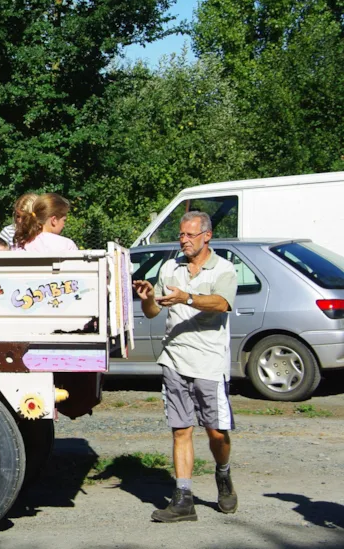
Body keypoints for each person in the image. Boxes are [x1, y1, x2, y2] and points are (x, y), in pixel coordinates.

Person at [132, 211, 238, 523]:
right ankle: (183, 498)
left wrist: (187, 298)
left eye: (190, 235)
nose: (184, 240)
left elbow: (221, 303)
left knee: (216, 433)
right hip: (174, 359)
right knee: (181, 430)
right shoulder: (169, 268)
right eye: (181, 235)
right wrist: (148, 298)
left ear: (207, 236)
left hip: (209, 362)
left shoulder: (224, 268)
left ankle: (223, 474)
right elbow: (153, 312)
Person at [12, 193, 78, 252]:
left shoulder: (20, 245)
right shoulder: (67, 245)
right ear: (54, 220)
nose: (64, 225)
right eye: (64, 220)